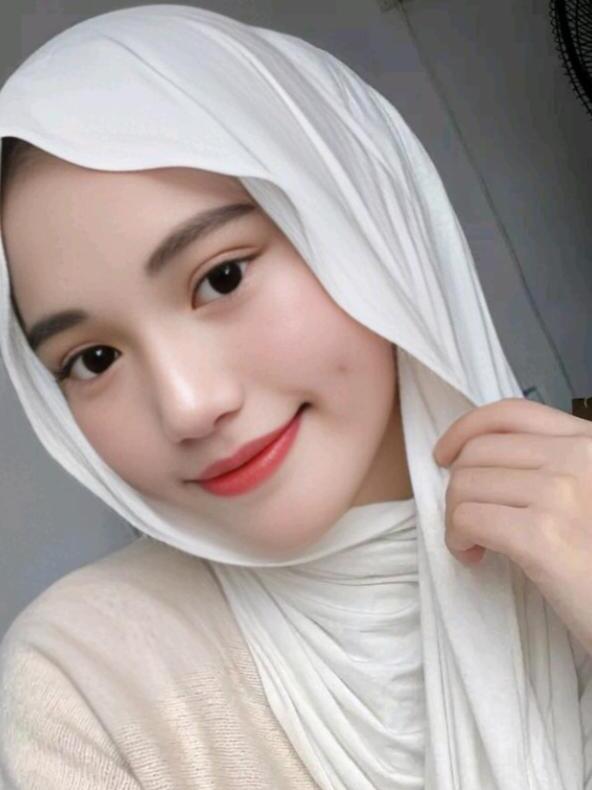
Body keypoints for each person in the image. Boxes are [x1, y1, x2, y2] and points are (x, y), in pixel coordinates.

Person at [0, 5, 590, 790]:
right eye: (93, 359)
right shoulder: (82, 685)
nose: (187, 405)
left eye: (222, 277)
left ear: (362, 221)